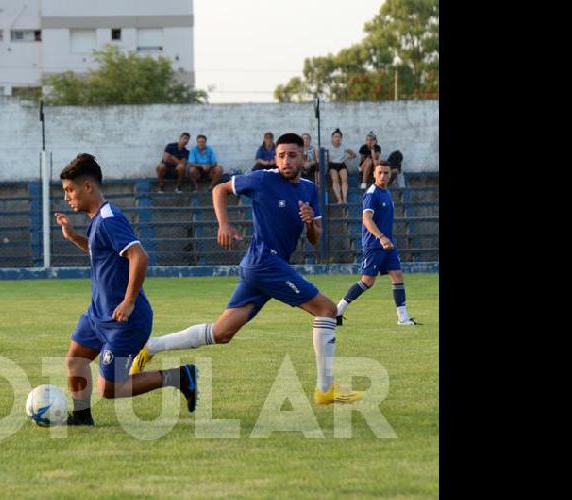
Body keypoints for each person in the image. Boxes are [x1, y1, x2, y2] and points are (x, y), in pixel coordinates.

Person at [131, 133, 363, 406]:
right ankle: (325, 390)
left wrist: (311, 222)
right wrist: (223, 224)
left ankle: (151, 347)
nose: (286, 161)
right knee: (326, 309)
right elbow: (220, 189)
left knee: (221, 333)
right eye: (281, 155)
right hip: (265, 262)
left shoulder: (309, 190)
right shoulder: (264, 179)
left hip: (265, 267)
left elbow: (315, 237)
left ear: (304, 156)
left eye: (292, 155)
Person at [53, 153, 198, 426]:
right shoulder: (98, 220)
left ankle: (179, 377)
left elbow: (139, 256)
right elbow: (102, 253)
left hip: (125, 322)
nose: (67, 197)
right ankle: (82, 417)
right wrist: (73, 237)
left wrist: (129, 300)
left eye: (70, 190)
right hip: (98, 316)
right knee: (75, 361)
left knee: (110, 388)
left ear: (88, 187)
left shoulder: (110, 218)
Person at [336, 161, 419, 326]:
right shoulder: (372, 193)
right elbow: (366, 219)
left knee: (397, 275)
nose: (383, 176)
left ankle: (403, 318)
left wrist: (386, 239)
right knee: (367, 281)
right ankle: (338, 310)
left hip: (388, 243)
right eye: (380, 172)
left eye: (386, 173)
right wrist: (380, 237)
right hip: (375, 244)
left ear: (390, 175)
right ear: (374, 174)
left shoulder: (386, 193)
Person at [325, 128, 357, 205]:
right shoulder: (328, 147)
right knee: (335, 180)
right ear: (332, 138)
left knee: (344, 180)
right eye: (335, 137)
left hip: (341, 164)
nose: (337, 138)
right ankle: (339, 199)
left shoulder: (344, 147)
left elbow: (354, 154)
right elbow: (325, 157)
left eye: (339, 137)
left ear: (341, 138)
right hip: (332, 164)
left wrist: (348, 157)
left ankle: (345, 199)